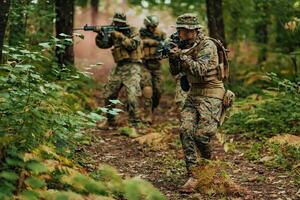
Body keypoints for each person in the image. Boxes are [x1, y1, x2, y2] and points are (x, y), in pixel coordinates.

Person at [167, 13, 234, 192]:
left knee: (201, 135)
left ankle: (210, 166)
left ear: (195, 31)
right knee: (185, 130)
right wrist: (172, 57)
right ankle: (194, 175)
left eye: (186, 31)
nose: (182, 35)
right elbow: (175, 71)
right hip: (193, 94)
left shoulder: (208, 45)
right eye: (180, 31)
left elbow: (200, 70)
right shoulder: (183, 46)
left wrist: (181, 56)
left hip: (212, 95)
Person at [95, 12, 143, 128]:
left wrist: (118, 35)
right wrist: (101, 34)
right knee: (109, 93)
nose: (117, 24)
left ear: (124, 23)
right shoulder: (112, 31)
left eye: (120, 23)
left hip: (133, 66)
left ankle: (135, 125)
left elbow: (133, 45)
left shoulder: (133, 30)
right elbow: (104, 45)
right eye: (116, 22)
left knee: (132, 96)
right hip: (119, 66)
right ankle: (110, 121)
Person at [139, 15, 166, 124]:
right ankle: (147, 114)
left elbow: (166, 45)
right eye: (150, 26)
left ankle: (152, 108)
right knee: (147, 88)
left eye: (154, 26)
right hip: (144, 64)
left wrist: (157, 44)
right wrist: (145, 42)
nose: (152, 28)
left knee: (158, 91)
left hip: (156, 65)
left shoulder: (161, 34)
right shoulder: (140, 34)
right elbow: (135, 44)